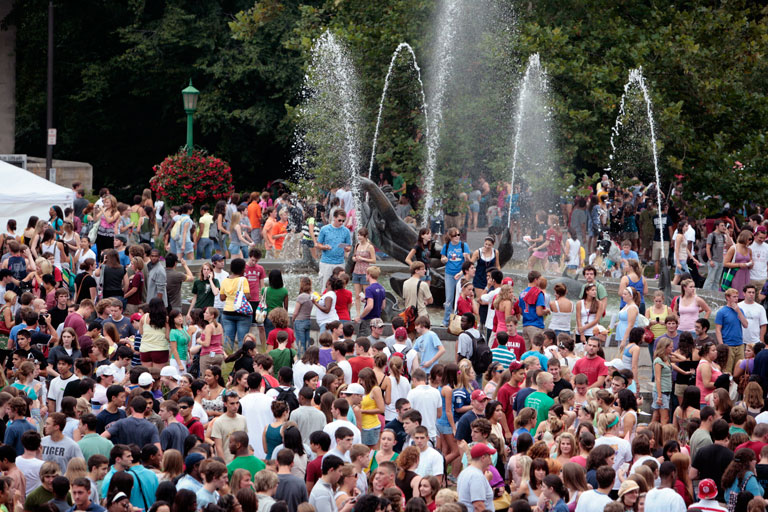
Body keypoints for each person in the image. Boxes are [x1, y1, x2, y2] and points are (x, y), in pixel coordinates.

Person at [316, 210, 352, 294]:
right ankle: (324, 304)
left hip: (340, 262)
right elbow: (318, 244)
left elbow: (349, 246)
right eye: (339, 220)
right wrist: (324, 247)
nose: (341, 223)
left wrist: (346, 248)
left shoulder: (346, 231)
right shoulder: (325, 229)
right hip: (326, 262)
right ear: (334, 218)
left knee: (340, 286)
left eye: (343, 221)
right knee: (325, 286)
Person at [441, 228, 471, 327]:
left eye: (458, 234)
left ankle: (458, 321)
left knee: (460, 297)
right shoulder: (446, 246)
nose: (457, 237)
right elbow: (442, 259)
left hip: (460, 273)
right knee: (449, 298)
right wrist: (444, 259)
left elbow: (469, 263)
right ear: (450, 237)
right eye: (455, 235)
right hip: (449, 273)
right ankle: (446, 321)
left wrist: (466, 257)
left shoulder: (463, 245)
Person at [220, 258, 252, 350]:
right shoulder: (243, 280)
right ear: (242, 269)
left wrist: (230, 295)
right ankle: (242, 359)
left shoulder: (225, 281)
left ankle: (228, 360)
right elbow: (248, 296)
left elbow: (222, 298)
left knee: (228, 339)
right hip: (242, 312)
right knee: (243, 339)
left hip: (227, 312)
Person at [716, 288, 749, 374]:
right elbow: (718, 329)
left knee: (740, 371)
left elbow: (745, 325)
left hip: (740, 344)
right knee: (727, 371)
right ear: (727, 297)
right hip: (728, 345)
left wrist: (738, 311)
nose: (736, 299)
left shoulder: (740, 310)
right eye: (734, 297)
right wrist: (722, 345)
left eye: (737, 297)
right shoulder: (721, 312)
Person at [456, 444, 495, 512]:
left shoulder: (464, 472)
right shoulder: (476, 476)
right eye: (489, 456)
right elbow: (478, 505)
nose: (490, 460)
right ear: (483, 458)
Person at [518, 271, 549, 348]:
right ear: (536, 280)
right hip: (536, 326)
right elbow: (539, 312)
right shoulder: (538, 293)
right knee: (537, 351)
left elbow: (520, 311)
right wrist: (546, 311)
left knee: (527, 352)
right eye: (539, 279)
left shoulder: (522, 293)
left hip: (525, 325)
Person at [724, 230, 753, 300]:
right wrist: (739, 265)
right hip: (735, 275)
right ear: (744, 238)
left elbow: (751, 264)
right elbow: (725, 263)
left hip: (746, 274)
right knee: (735, 295)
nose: (750, 241)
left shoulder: (749, 250)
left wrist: (751, 263)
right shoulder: (733, 248)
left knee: (745, 295)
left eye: (752, 239)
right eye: (749, 239)